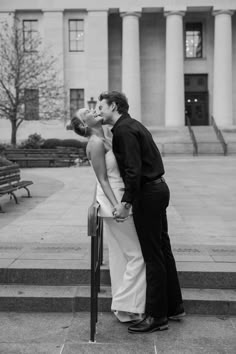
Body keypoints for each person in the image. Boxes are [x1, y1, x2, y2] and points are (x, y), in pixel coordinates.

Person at [98, 91, 185, 334]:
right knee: (162, 248)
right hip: (158, 189)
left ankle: (157, 317)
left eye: (101, 106)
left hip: (148, 193)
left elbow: (133, 170)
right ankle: (174, 306)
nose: (98, 111)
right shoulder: (132, 125)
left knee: (152, 254)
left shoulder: (124, 130)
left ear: (114, 106)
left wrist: (126, 203)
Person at [69, 108, 146, 323]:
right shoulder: (94, 143)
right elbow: (102, 179)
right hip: (115, 204)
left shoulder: (108, 137)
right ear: (86, 124)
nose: (94, 110)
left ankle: (123, 310)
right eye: (88, 112)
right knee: (138, 256)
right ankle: (124, 302)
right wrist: (117, 206)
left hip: (118, 199)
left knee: (120, 256)